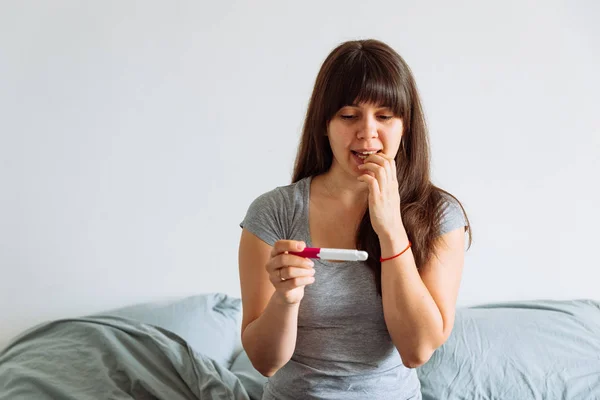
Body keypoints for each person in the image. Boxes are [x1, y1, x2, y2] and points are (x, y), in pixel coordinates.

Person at [238, 39, 472, 400]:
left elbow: (418, 350)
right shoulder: (274, 212)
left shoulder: (439, 215)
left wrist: (391, 228)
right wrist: (285, 298)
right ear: (325, 124)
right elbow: (264, 363)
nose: (367, 132)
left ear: (405, 125)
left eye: (384, 116)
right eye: (349, 116)